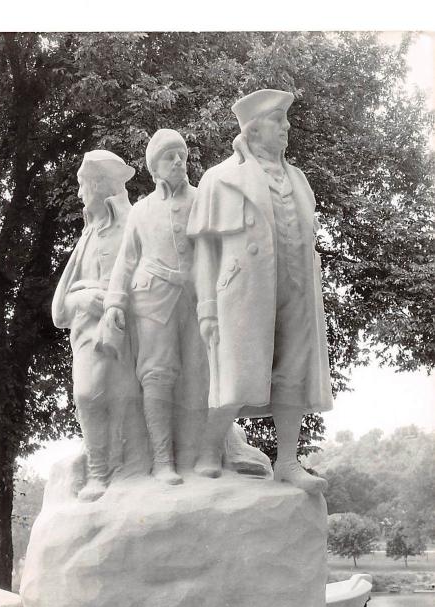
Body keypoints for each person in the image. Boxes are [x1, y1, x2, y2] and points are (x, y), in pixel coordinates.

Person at [187, 89, 333, 492]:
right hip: (243, 290)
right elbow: (204, 253)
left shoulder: (299, 180)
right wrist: (206, 308)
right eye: (278, 119)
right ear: (252, 129)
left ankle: (287, 461)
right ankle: (209, 448)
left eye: (286, 119)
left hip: (296, 287)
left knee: (293, 372)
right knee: (236, 373)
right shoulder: (219, 178)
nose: (287, 127)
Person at [103, 130, 209, 485]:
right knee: (157, 376)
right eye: (169, 156)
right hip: (152, 298)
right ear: (154, 168)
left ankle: (196, 456)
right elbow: (125, 260)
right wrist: (115, 302)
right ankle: (163, 461)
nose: (179, 161)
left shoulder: (203, 200)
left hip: (195, 298)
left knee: (199, 375)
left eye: (182, 154)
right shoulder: (142, 210)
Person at [52, 150, 137, 501]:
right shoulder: (86, 238)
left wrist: (111, 296)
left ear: (101, 185)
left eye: (82, 184)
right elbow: (59, 309)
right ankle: (99, 471)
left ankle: (122, 470)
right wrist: (84, 297)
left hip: (131, 326)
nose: (79, 193)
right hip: (87, 333)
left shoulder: (134, 223)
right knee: (87, 394)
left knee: (127, 397)